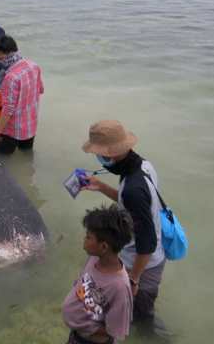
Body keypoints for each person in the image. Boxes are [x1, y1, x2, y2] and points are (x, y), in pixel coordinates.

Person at [80, 120, 167, 330]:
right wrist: (100, 186)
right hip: (148, 258)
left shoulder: (133, 189)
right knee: (135, 316)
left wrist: (134, 279)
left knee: (141, 322)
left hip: (142, 264)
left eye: (98, 154)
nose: (98, 158)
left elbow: (147, 243)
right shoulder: (143, 166)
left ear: (110, 154)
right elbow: (131, 205)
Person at [62, 204, 134, 344]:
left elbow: (115, 329)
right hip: (77, 336)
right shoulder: (94, 258)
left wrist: (87, 327)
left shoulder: (119, 287)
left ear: (104, 247)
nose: (84, 240)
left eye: (88, 237)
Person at [0, 36, 43, 154]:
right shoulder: (33, 66)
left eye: (0, 58)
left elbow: (8, 109)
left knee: (2, 160)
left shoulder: (11, 77)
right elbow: (40, 89)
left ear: (11, 54)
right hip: (29, 125)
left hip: (11, 129)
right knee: (26, 157)